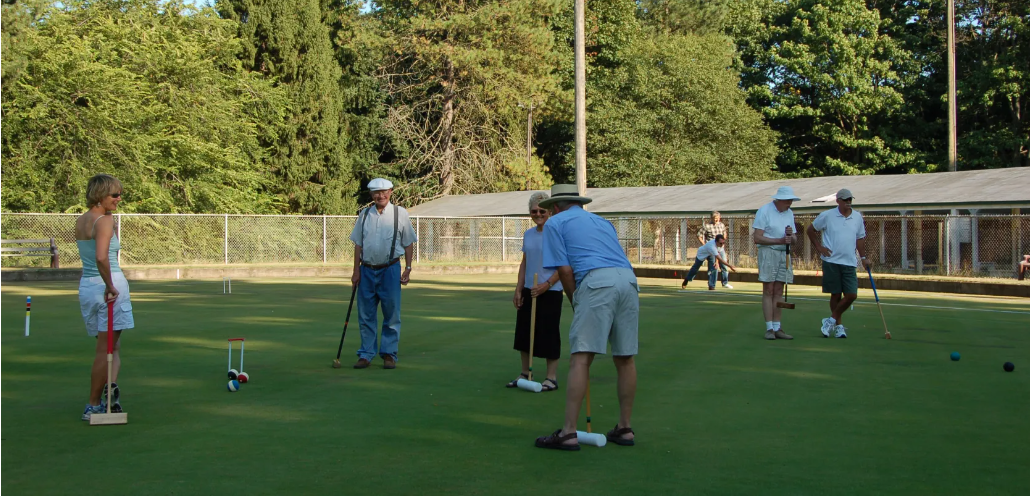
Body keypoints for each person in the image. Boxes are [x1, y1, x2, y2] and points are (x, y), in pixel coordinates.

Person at [533, 184, 639, 451]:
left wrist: (574, 299)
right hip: (628, 280)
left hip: (596, 281)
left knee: (581, 357)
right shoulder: (602, 222)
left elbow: (565, 270)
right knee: (625, 357)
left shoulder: (556, 224)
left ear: (555, 207)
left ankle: (568, 432)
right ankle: (624, 428)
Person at [75, 173, 135, 421]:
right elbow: (101, 257)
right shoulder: (105, 220)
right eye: (114, 194)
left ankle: (110, 391)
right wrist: (110, 285)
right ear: (100, 195)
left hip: (87, 287)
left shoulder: (82, 220)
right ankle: (93, 404)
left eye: (120, 193)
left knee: (112, 346)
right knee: (106, 349)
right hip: (107, 287)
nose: (119, 198)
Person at [349, 178, 417, 369]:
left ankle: (389, 354)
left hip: (390, 269)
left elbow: (408, 242)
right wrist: (356, 271)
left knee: (392, 314)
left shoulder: (399, 214)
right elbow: (358, 244)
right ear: (371, 195)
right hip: (367, 270)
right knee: (365, 315)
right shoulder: (364, 215)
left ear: (391, 192)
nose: (381, 195)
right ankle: (366, 353)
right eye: (376, 193)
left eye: (384, 191)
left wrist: (408, 268)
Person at [507, 192, 563, 392]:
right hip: (530, 289)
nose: (538, 214)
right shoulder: (529, 234)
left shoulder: (556, 233)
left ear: (549, 211)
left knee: (548, 333)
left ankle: (551, 377)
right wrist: (519, 288)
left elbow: (564, 266)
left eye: (542, 211)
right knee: (524, 332)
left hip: (551, 290)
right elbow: (525, 262)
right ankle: (525, 373)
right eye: (534, 211)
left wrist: (547, 284)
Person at [806, 189, 869, 339]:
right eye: (845, 200)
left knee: (851, 295)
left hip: (849, 262)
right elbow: (810, 230)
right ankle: (839, 327)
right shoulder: (827, 215)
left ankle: (831, 320)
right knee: (835, 294)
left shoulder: (857, 217)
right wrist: (819, 247)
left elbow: (860, 238)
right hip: (831, 261)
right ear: (838, 201)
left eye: (850, 200)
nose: (848, 202)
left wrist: (864, 257)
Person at [752, 186, 799, 341]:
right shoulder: (764, 211)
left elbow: (794, 240)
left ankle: (778, 328)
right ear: (779, 199)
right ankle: (769, 328)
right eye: (787, 200)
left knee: (779, 289)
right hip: (768, 252)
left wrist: (789, 237)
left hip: (783, 253)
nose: (790, 203)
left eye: (791, 200)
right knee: (769, 290)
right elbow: (757, 238)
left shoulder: (790, 213)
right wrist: (778, 240)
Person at [695, 211, 732, 289]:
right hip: (711, 249)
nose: (716, 220)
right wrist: (705, 245)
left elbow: (724, 233)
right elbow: (699, 235)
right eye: (715, 218)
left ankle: (725, 283)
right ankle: (712, 285)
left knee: (724, 264)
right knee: (713, 266)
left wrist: (723, 240)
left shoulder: (721, 225)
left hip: (720, 248)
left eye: (718, 218)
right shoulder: (707, 226)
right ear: (711, 218)